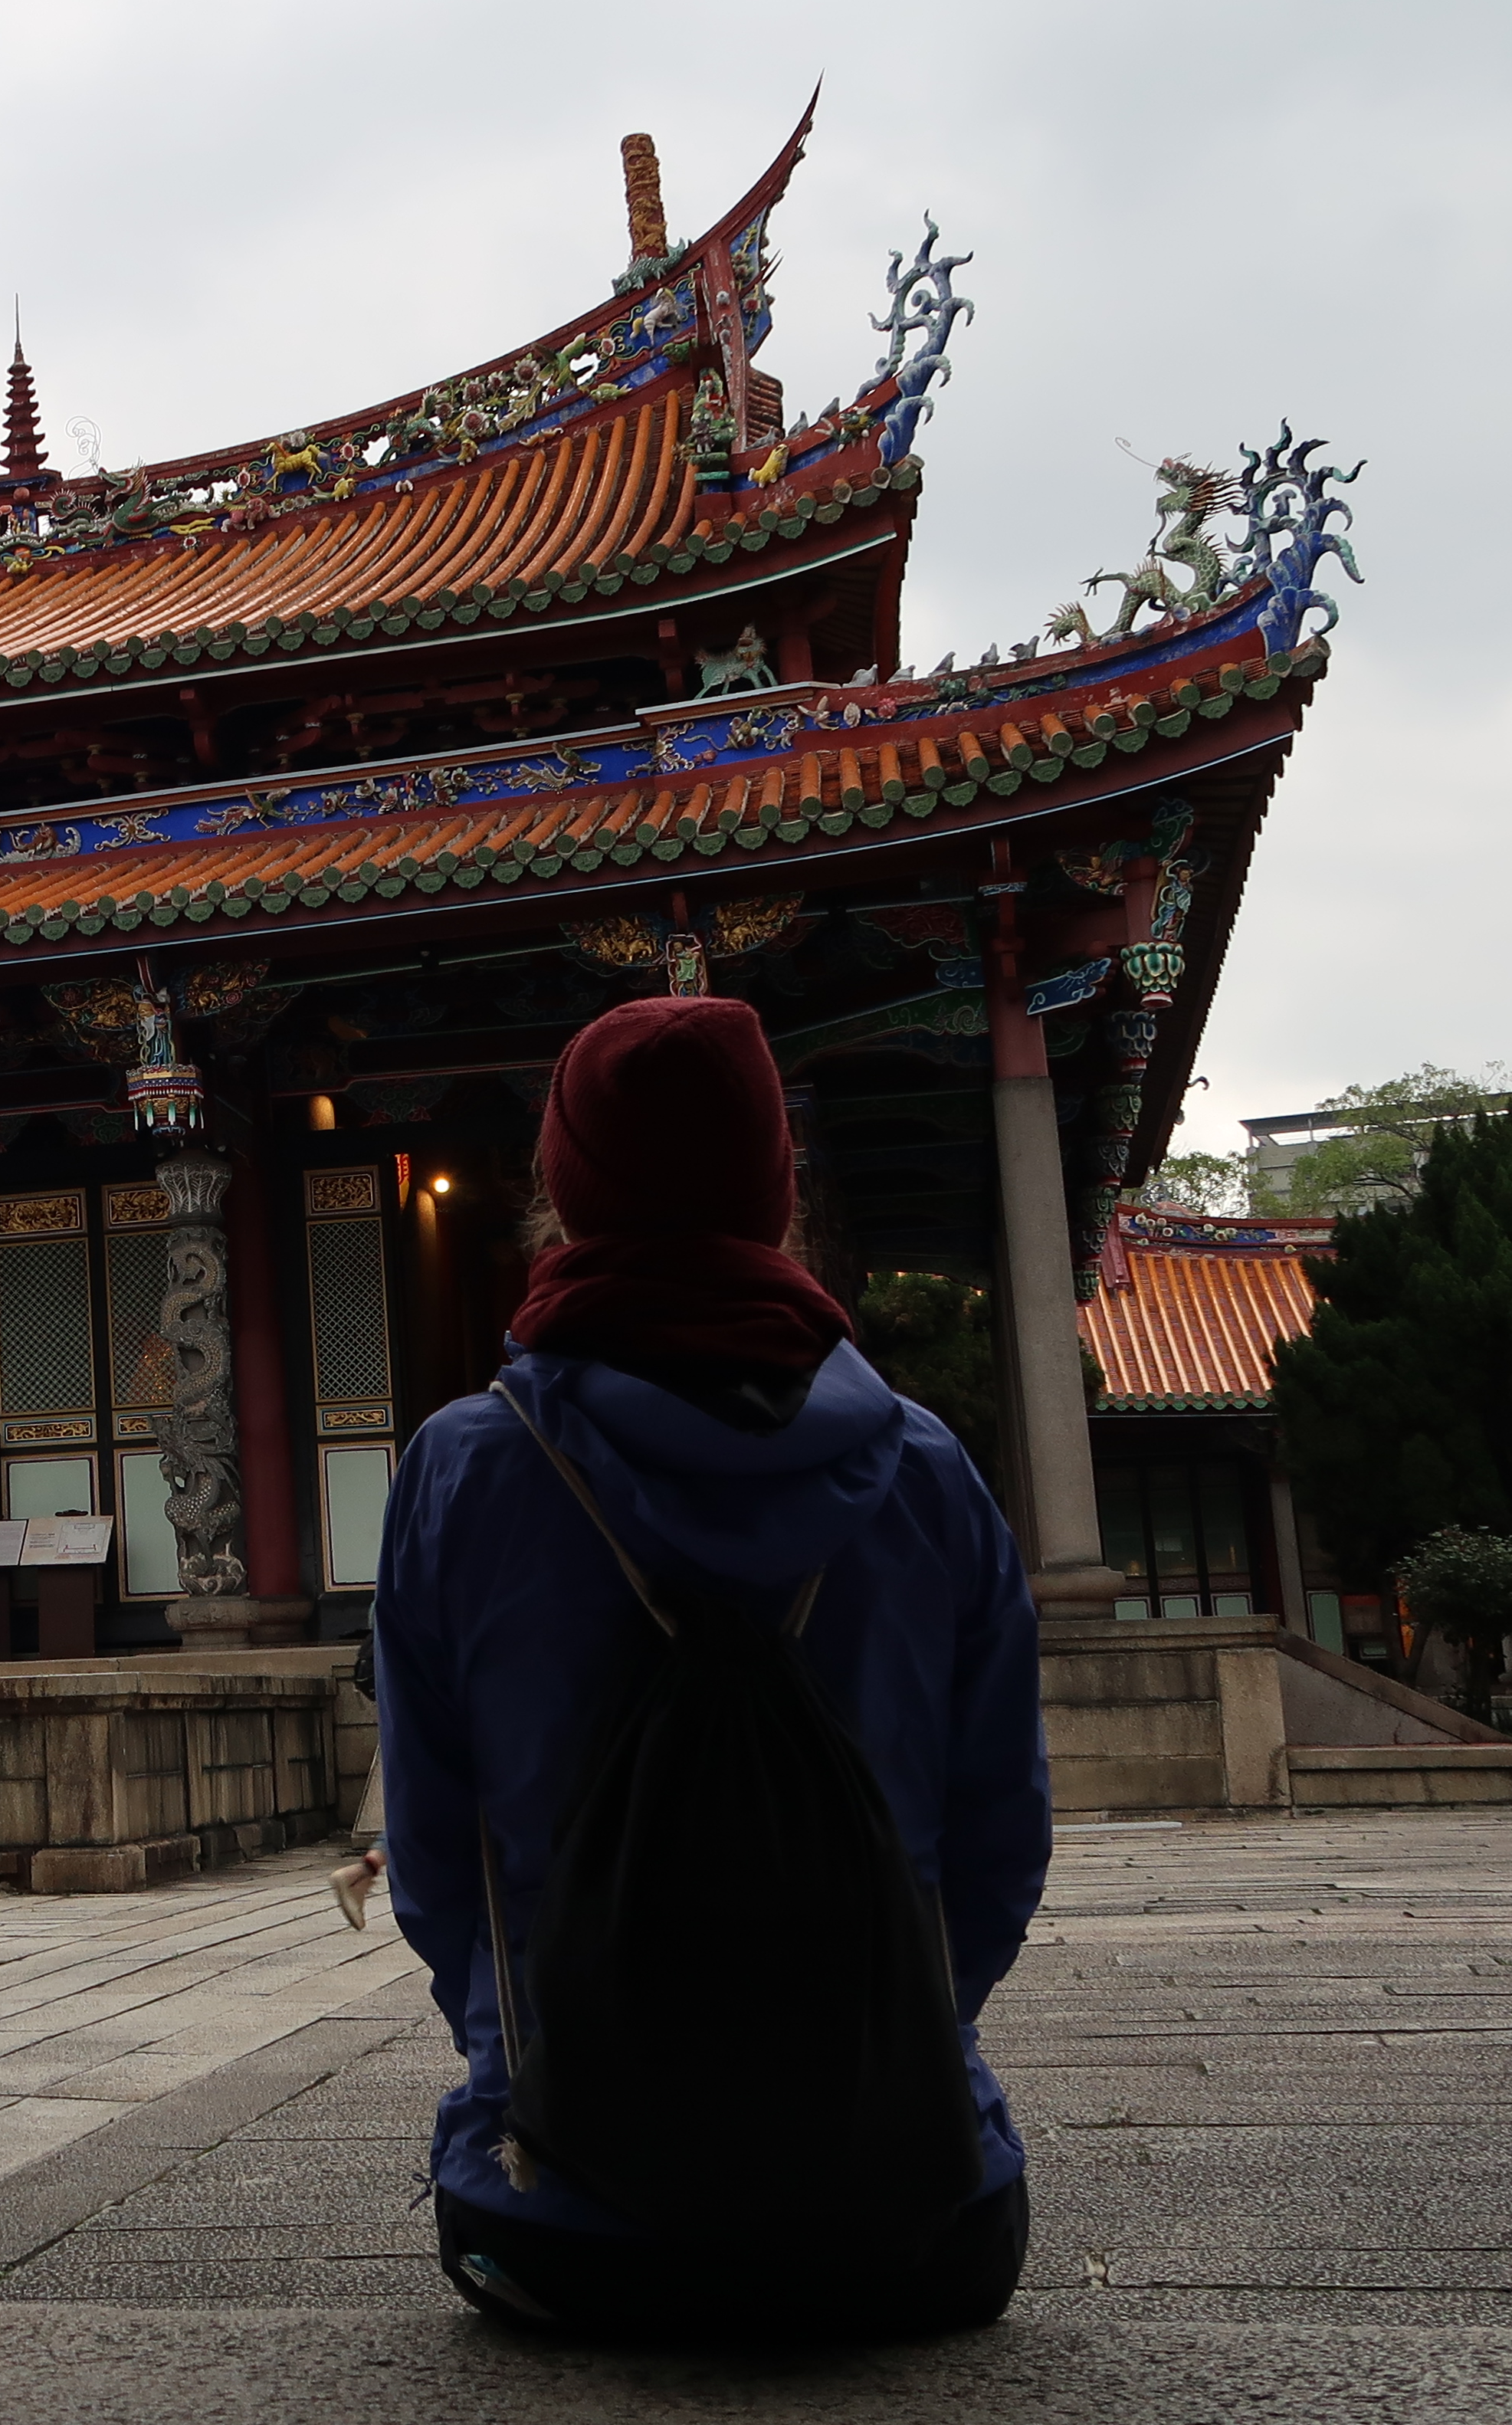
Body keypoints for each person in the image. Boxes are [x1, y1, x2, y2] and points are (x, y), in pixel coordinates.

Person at [372, 994, 1049, 2344]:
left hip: (556, 2224)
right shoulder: (927, 1469)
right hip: (916, 2219)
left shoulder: (462, 1467)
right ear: (773, 1184)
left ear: (564, 1184)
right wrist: (867, 2044)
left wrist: (541, 2049)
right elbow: (999, 1841)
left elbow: (436, 1862)